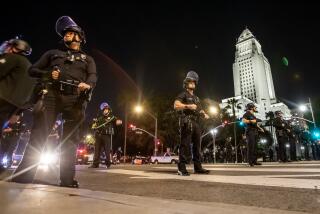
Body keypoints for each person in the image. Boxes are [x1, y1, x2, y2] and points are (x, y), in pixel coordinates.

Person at [12, 16, 97, 188]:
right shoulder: (53, 54)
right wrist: (49, 73)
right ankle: (23, 176)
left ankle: (67, 179)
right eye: (65, 34)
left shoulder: (88, 59)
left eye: (71, 33)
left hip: (75, 99)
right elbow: (32, 70)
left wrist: (87, 85)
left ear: (80, 37)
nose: (67, 35)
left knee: (70, 141)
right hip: (52, 96)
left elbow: (93, 76)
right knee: (38, 134)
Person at [174, 71, 210, 176]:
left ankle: (198, 168)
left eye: (194, 82)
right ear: (186, 83)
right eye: (190, 81)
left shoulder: (196, 98)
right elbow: (176, 105)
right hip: (186, 121)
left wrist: (204, 114)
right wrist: (188, 106)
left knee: (197, 146)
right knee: (185, 145)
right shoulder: (183, 94)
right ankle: (181, 168)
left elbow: (200, 109)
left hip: (196, 123)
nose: (193, 83)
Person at [0, 38, 34, 136]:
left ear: (15, 49)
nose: (6, 49)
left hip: (2, 98)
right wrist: (18, 112)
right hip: (15, 105)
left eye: (8, 46)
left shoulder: (12, 57)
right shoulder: (29, 67)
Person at [89, 102, 122, 168]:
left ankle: (108, 163)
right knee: (97, 150)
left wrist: (119, 122)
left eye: (106, 109)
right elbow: (93, 126)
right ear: (102, 110)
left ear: (108, 109)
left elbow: (118, 121)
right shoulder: (99, 118)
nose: (105, 110)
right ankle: (95, 164)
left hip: (106, 135)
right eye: (104, 109)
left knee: (107, 150)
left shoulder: (112, 117)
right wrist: (92, 124)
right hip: (98, 135)